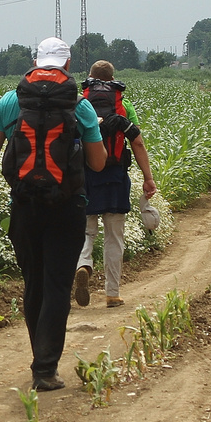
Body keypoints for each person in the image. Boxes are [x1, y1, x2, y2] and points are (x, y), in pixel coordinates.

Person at [0, 37, 106, 391]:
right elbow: (98, 163)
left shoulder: (10, 102)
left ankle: (38, 357)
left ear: (35, 63)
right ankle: (45, 369)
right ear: (68, 65)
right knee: (58, 285)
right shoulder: (81, 106)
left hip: (25, 207)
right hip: (67, 208)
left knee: (34, 285)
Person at [73, 61, 158, 308]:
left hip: (85, 176)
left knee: (86, 232)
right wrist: (148, 177)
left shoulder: (80, 104)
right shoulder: (124, 106)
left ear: (89, 78)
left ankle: (84, 265)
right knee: (114, 236)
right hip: (116, 177)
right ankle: (112, 293)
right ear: (113, 79)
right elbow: (137, 143)